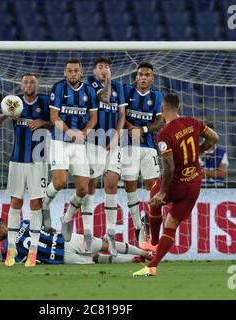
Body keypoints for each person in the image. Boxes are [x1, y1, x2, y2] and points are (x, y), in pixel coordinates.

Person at [133, 93, 218, 277]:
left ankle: (153, 241)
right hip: (194, 182)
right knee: (171, 225)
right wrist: (198, 152)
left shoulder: (164, 134)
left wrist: (163, 193)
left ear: (162, 110)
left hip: (175, 183)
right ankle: (153, 266)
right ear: (178, 108)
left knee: (154, 200)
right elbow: (214, 138)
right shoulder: (193, 122)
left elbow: (170, 166)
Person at [0, 73, 52, 267]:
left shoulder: (45, 102)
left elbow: (56, 122)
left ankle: (33, 251)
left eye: (32, 82)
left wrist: (43, 123)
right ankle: (11, 249)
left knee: (36, 203)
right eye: (26, 82)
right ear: (21, 85)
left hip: (39, 159)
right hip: (17, 160)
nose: (29, 84)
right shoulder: (13, 102)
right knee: (15, 202)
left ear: (37, 84)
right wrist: (9, 113)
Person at [41, 59, 98, 242]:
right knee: (59, 182)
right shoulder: (58, 88)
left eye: (76, 71)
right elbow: (53, 115)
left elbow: (94, 117)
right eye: (69, 71)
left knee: (83, 189)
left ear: (81, 73)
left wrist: (83, 133)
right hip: (60, 142)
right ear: (65, 73)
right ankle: (45, 205)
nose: (73, 74)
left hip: (79, 143)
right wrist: (70, 132)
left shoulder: (89, 91)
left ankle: (66, 219)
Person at [81, 57, 126, 255]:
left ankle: (111, 234)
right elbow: (105, 98)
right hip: (93, 142)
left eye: (107, 67)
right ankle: (88, 233)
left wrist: (117, 135)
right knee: (91, 186)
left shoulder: (119, 87)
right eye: (100, 67)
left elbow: (122, 114)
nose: (104, 70)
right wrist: (106, 81)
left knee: (111, 185)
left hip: (113, 143)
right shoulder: (90, 84)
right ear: (94, 70)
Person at [122, 61, 164, 246]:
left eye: (147, 75)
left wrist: (144, 130)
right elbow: (120, 116)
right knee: (130, 185)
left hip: (148, 147)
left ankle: (149, 224)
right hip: (127, 147)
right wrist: (132, 128)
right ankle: (138, 226)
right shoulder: (127, 92)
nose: (143, 78)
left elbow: (160, 121)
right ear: (136, 77)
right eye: (140, 74)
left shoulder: (157, 96)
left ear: (152, 78)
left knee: (152, 187)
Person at [0, 217, 153, 265]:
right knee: (98, 251)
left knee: (99, 252)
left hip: (61, 250)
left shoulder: (11, 247)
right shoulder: (24, 222)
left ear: (3, 227)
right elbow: (45, 228)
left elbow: (23, 261)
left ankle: (139, 255)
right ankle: (138, 256)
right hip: (63, 247)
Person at [201, 121, 229, 187]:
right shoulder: (195, 151)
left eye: (210, 134)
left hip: (218, 186)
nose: (208, 137)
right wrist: (213, 173)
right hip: (199, 186)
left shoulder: (221, 153)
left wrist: (203, 172)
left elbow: (221, 173)